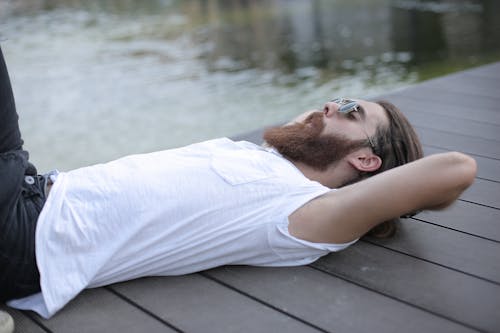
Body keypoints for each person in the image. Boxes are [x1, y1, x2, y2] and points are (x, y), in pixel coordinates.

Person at [0, 45, 477, 321]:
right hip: (29, 188)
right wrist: (339, 113)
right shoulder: (271, 157)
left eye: (354, 111)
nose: (333, 105)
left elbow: (456, 168)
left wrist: (389, 192)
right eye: (338, 98)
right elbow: (311, 124)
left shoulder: (302, 215)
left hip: (29, 235)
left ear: (366, 160)